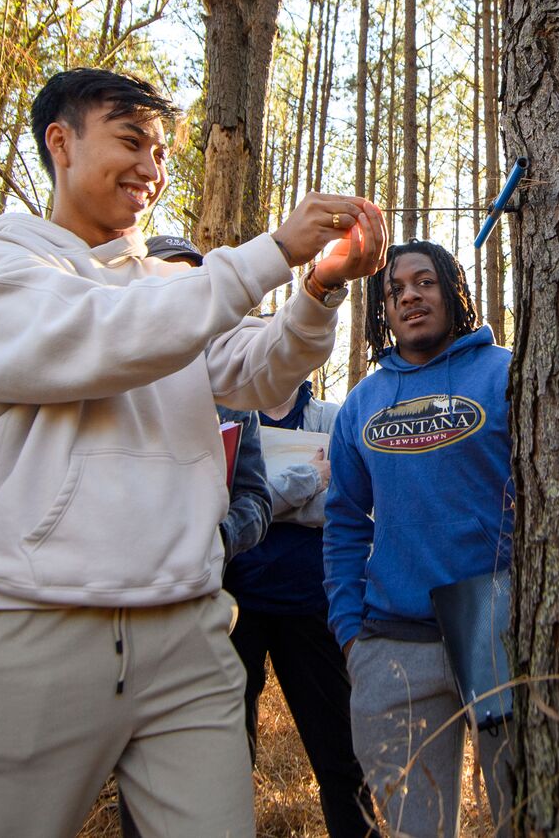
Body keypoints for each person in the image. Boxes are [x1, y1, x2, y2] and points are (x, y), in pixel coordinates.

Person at [0, 67, 386, 837]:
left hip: (190, 633)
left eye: (163, 152)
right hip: (36, 629)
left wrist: (317, 290)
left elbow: (257, 369)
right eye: (132, 141)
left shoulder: (163, 284)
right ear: (61, 142)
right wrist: (269, 250)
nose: (152, 168)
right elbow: (113, 334)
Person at [151, 235, 376, 838]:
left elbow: (343, 505)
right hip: (234, 605)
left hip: (312, 605)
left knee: (341, 756)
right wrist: (299, 486)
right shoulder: (217, 407)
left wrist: (285, 495)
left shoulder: (330, 417)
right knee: (225, 755)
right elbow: (233, 501)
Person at [325, 241, 514, 838]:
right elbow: (346, 522)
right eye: (395, 289)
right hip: (394, 644)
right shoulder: (362, 403)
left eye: (424, 281)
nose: (410, 295)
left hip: (502, 631)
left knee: (531, 817)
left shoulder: (507, 374)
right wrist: (351, 632)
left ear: (453, 290)